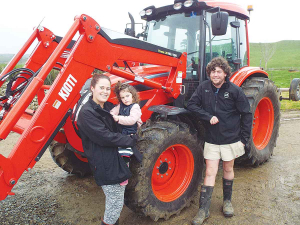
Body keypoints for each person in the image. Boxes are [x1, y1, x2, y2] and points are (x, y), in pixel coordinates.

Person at [187, 57, 252, 225]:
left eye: (219, 71)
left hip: (231, 139)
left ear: (225, 73)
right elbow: (192, 105)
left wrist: (244, 139)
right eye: (213, 71)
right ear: (209, 73)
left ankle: (227, 202)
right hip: (212, 139)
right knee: (210, 172)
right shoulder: (203, 88)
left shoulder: (234, 90)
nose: (215, 74)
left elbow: (246, 114)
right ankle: (203, 209)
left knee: (228, 168)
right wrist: (208, 117)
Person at [77, 74, 140, 225]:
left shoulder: (107, 107)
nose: (105, 91)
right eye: (101, 88)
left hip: (114, 157)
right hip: (105, 162)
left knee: (116, 199)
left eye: (108, 88)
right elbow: (105, 137)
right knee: (115, 202)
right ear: (92, 88)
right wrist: (131, 139)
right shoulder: (87, 113)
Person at [110, 82, 142, 185]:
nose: (125, 99)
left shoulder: (135, 107)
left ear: (133, 95)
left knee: (124, 155)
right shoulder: (121, 106)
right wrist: (111, 115)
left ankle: (124, 177)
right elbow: (112, 112)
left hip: (129, 135)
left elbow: (132, 120)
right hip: (121, 134)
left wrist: (118, 118)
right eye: (123, 97)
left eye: (127, 96)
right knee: (116, 153)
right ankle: (116, 172)